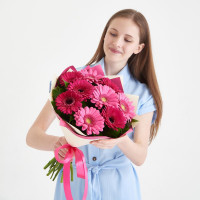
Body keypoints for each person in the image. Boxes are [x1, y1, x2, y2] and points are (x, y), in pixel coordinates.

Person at [26, 8, 162, 200]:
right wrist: (57, 143)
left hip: (118, 187)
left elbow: (140, 157)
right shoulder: (71, 79)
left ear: (139, 48)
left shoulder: (142, 94)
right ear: (104, 35)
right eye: (113, 34)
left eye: (127, 39)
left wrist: (120, 139)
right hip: (75, 182)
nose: (117, 42)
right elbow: (32, 136)